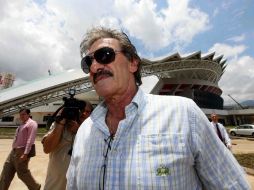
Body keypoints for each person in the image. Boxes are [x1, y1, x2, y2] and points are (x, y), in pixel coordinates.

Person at [66, 27, 250, 189]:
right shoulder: (84, 132)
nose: (95, 66)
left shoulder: (184, 114)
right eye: (88, 63)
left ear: (133, 63)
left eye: (104, 55)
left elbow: (232, 185)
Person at [42, 100, 93, 190]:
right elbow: (47, 148)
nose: (84, 113)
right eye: (81, 110)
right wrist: (60, 124)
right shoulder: (59, 125)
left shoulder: (94, 128)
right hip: (56, 184)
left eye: (87, 112)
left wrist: (79, 131)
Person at [0, 108, 41, 190]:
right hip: (13, 151)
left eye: (23, 114)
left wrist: (25, 153)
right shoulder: (22, 124)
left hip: (22, 151)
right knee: (6, 171)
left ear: (28, 115)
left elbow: (30, 139)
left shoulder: (32, 124)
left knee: (22, 173)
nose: (21, 116)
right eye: (20, 114)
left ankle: (35, 187)